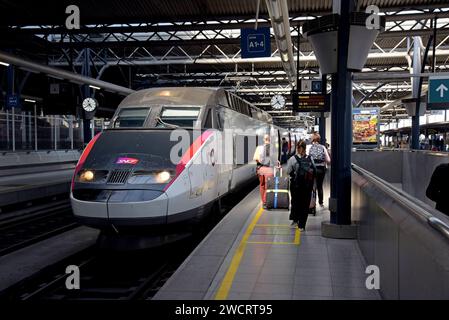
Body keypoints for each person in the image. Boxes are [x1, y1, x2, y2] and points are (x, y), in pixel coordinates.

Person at [287, 140, 316, 231]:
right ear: (305, 148)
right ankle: (302, 225)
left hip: (296, 185)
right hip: (307, 185)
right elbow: (314, 170)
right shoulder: (310, 158)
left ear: (297, 148)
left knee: (296, 202)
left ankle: (295, 220)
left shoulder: (292, 159)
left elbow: (288, 171)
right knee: (305, 204)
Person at [308, 133, 331, 208]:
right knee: (319, 186)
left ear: (312, 139)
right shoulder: (323, 147)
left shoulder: (309, 147)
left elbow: (306, 158)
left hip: (311, 169)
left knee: (310, 185)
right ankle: (321, 203)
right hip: (321, 169)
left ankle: (310, 202)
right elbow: (328, 160)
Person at [253, 134, 276, 208]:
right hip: (269, 170)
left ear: (264, 139)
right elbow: (274, 160)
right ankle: (265, 201)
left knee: (262, 185)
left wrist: (261, 163)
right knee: (268, 186)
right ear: (270, 139)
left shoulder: (259, 148)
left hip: (261, 170)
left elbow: (256, 159)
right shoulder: (273, 148)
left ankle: (263, 201)